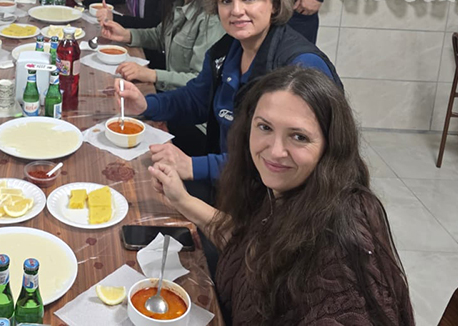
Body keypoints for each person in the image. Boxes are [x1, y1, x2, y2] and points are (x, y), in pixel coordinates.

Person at [149, 66, 414, 325]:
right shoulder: (283, 189)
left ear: (330, 146)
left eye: (298, 136)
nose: (275, 151)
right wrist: (182, 199)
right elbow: (245, 243)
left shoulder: (340, 249)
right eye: (265, 127)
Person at [115, 0, 339, 185]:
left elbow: (282, 158)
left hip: (276, 195)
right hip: (230, 177)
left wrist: (193, 166)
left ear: (274, 3)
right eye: (226, 1)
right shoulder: (226, 50)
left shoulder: (300, 65)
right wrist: (146, 105)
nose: (236, 10)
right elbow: (197, 100)